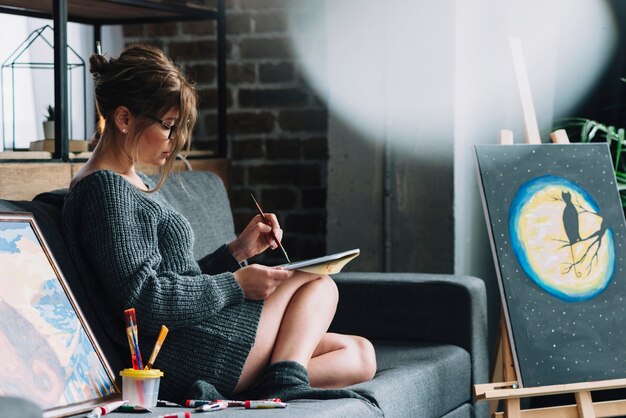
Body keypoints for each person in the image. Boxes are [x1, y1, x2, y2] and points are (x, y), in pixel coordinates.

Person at [62, 44, 376, 403]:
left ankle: (273, 379)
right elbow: (143, 302)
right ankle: (281, 384)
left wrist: (238, 251)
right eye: (168, 126)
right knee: (317, 282)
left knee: (359, 355)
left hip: (193, 333)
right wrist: (235, 286)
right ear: (123, 118)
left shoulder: (131, 181)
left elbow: (178, 279)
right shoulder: (105, 190)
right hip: (177, 351)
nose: (177, 139)